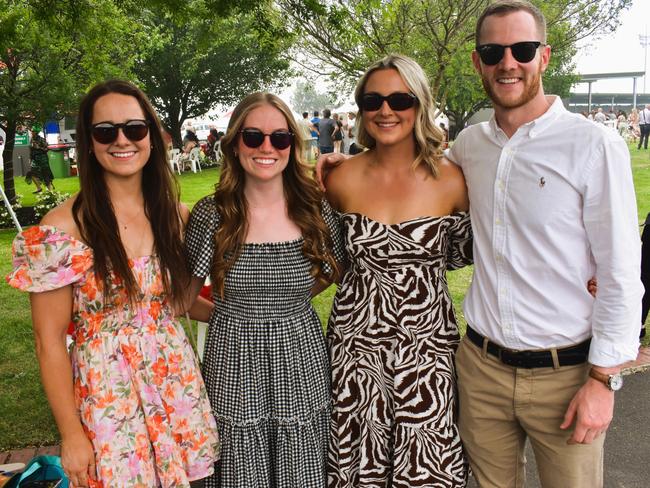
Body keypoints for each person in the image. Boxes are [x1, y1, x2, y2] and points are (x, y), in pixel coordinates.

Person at [448, 2, 642, 486]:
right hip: (481, 369)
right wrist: (332, 165)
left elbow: (620, 271)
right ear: (478, 62)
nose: (507, 62)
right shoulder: (469, 147)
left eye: (522, 48)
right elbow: (407, 175)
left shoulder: (593, 145)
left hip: (568, 374)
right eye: (493, 51)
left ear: (544, 57)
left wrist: (603, 381)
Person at [7, 79, 219, 487]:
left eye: (134, 129)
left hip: (176, 383)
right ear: (88, 142)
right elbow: (47, 341)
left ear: (152, 138)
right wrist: (71, 436)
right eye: (106, 131)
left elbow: (175, 303)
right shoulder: (62, 228)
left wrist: (247, 317)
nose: (122, 140)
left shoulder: (175, 216)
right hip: (108, 394)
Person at [324, 54, 472, 487]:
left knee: (426, 464)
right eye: (373, 100)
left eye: (399, 99)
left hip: (427, 352)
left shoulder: (453, 179)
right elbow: (324, 259)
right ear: (361, 109)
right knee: (359, 459)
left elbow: (496, 248)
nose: (385, 110)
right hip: (355, 350)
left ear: (419, 104)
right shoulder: (339, 179)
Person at [183, 92, 345, 487]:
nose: (267, 147)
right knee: (242, 466)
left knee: (300, 463)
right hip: (232, 358)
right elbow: (184, 300)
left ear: (293, 143)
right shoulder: (212, 214)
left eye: (280, 137)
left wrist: (289, 301)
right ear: (235, 144)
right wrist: (233, 315)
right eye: (253, 137)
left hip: (300, 354)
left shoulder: (315, 209)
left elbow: (337, 269)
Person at [26, 128, 54, 193]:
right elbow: (31, 150)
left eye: (32, 131)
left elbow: (47, 149)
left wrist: (39, 147)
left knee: (45, 173)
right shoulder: (31, 139)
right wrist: (30, 158)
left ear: (36, 132)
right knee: (31, 173)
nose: (31, 132)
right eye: (31, 131)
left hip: (43, 159)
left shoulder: (41, 139)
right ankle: (39, 188)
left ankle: (50, 190)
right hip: (35, 159)